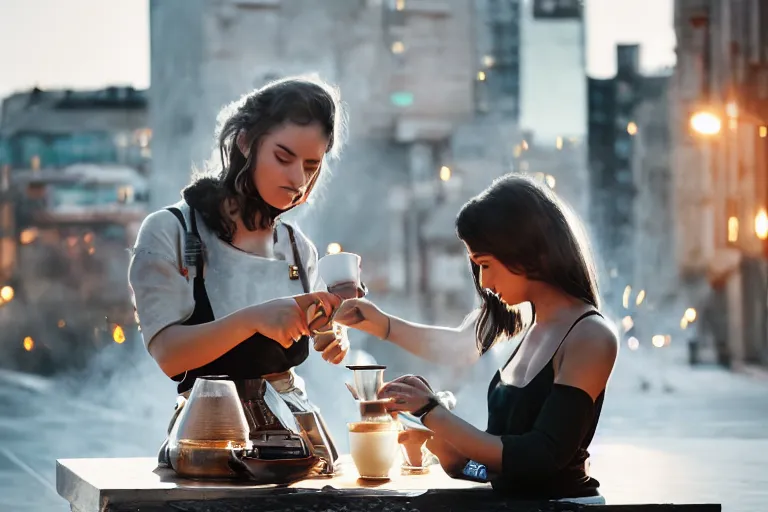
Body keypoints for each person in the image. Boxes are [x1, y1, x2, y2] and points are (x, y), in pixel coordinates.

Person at [333, 174, 618, 500]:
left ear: (525, 250)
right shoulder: (525, 324)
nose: (483, 282)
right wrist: (434, 437)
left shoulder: (590, 336)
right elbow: (485, 468)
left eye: (486, 264)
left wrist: (433, 412)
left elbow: (540, 457)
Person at [128, 76, 351, 465]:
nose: (299, 180)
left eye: (312, 166)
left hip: (299, 436)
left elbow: (318, 331)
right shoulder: (172, 232)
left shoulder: (298, 248)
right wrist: (254, 319)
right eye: (284, 158)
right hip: (210, 438)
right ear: (245, 142)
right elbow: (168, 354)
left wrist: (332, 334)